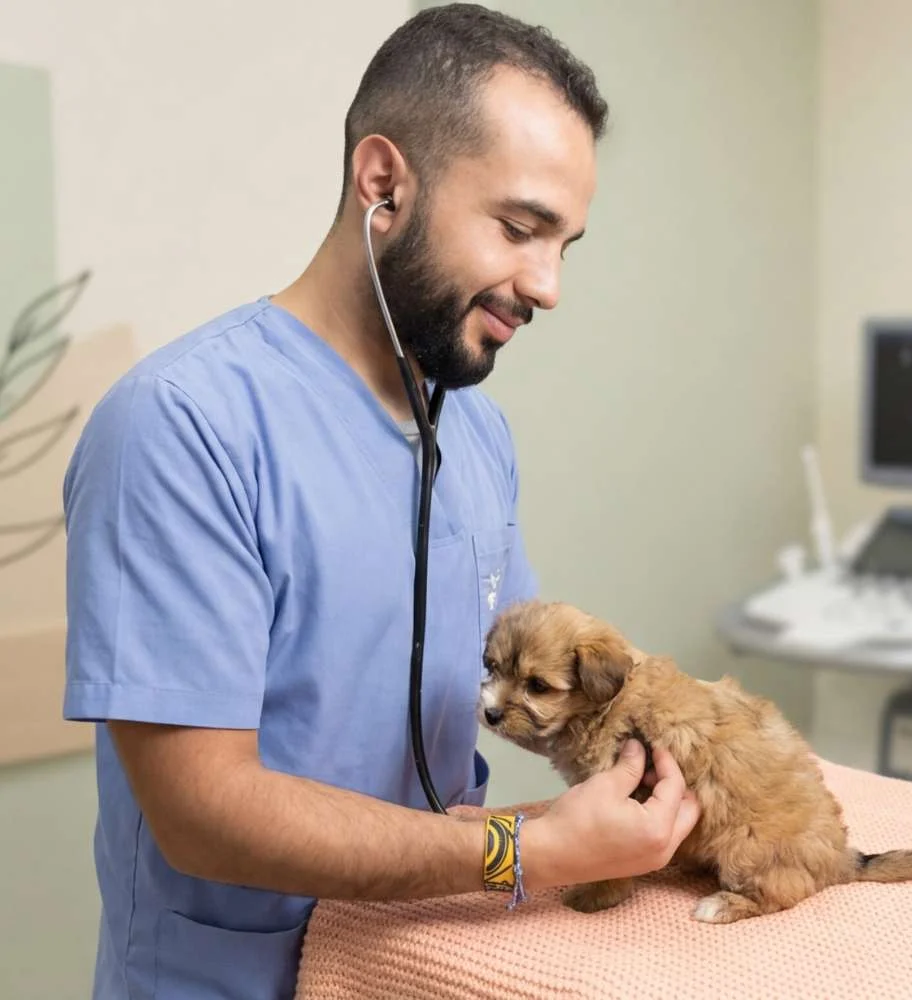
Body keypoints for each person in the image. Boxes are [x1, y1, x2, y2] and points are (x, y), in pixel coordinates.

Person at [61, 5, 701, 998]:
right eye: (520, 229)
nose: (548, 284)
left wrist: (643, 780)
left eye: (566, 243)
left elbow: (498, 725)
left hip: (428, 966)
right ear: (383, 183)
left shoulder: (477, 433)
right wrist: (519, 853)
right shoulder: (182, 425)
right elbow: (203, 810)